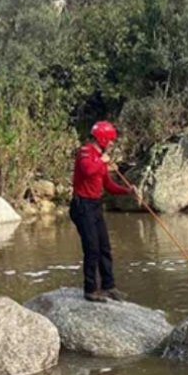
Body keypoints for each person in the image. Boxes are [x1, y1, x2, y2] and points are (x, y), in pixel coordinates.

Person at [70, 121, 133, 303]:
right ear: (103, 139)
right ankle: (90, 290)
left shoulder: (100, 158)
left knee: (104, 247)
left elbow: (109, 186)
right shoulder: (86, 152)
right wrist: (102, 161)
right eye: (111, 140)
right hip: (82, 206)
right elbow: (88, 170)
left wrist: (127, 191)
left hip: (96, 205)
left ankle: (109, 286)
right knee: (92, 249)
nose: (112, 144)